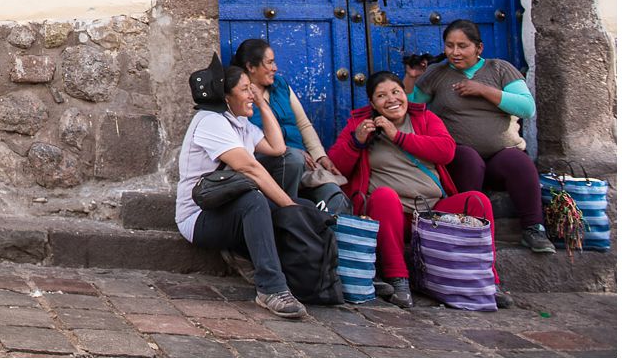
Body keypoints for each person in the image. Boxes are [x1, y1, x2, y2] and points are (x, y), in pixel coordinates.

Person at [328, 71, 513, 309]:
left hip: (432, 213)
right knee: (384, 195)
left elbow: (446, 151)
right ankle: (398, 278)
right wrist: (357, 141)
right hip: (392, 217)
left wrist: (398, 137)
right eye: (382, 96)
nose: (392, 99)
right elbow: (336, 167)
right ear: (373, 104)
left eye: (396, 92)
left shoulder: (424, 118)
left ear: (405, 94)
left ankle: (487, 280)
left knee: (477, 201)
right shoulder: (360, 125)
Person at [175, 54, 311, 320]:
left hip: (226, 208)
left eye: (253, 89)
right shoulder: (210, 121)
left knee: (305, 207)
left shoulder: (241, 124)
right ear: (227, 97)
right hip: (198, 217)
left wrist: (261, 104)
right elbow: (250, 168)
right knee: (257, 200)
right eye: (246, 89)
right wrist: (288, 206)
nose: (252, 93)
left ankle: (309, 273)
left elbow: (277, 148)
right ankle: (271, 289)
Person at [403, 19, 555, 253]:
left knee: (520, 162)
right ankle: (469, 228)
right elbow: (410, 108)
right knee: (469, 159)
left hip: (499, 157)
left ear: (479, 48)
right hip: (460, 159)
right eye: (450, 45)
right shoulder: (437, 75)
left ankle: (533, 228)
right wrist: (412, 78)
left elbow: (527, 108)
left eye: (462, 46)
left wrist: (484, 90)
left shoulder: (499, 69)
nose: (455, 52)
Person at [231, 39, 351, 214]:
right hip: (270, 165)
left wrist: (320, 156)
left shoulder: (280, 85)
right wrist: (290, 151)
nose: (275, 68)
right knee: (292, 159)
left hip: (303, 166)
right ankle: (287, 217)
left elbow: (303, 124)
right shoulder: (239, 96)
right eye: (270, 62)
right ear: (251, 67)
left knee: (334, 197)